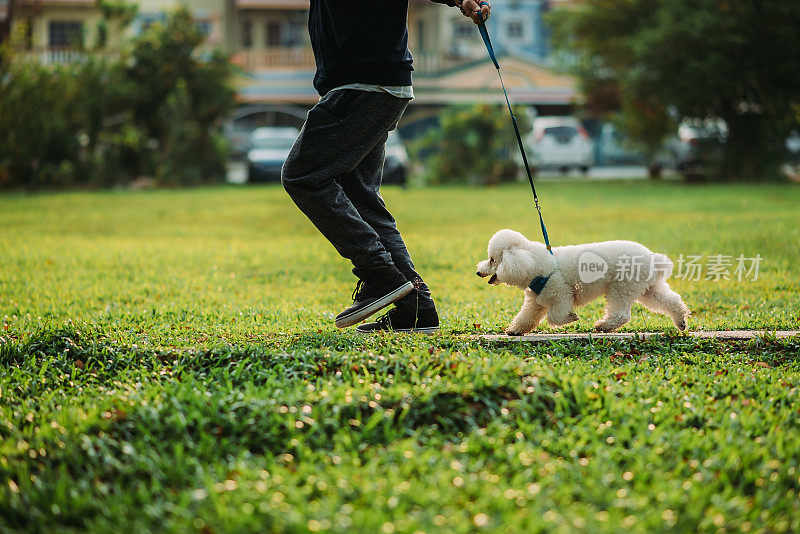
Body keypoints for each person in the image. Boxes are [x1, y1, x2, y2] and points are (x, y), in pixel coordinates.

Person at [282, 0, 492, 334]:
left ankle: (379, 273)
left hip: (362, 83)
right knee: (359, 195)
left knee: (303, 175)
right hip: (373, 84)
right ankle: (416, 309)